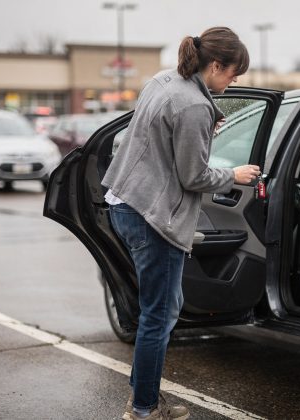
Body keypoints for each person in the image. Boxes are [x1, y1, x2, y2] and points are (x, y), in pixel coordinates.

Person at [101, 27, 261, 420]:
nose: (234, 81)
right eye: (233, 73)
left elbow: (160, 135)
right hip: (152, 216)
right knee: (159, 316)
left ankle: (142, 396)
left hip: (125, 201)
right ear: (216, 65)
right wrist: (234, 175)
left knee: (161, 309)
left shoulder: (164, 81)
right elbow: (194, 176)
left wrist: (206, 126)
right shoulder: (194, 106)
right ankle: (144, 408)